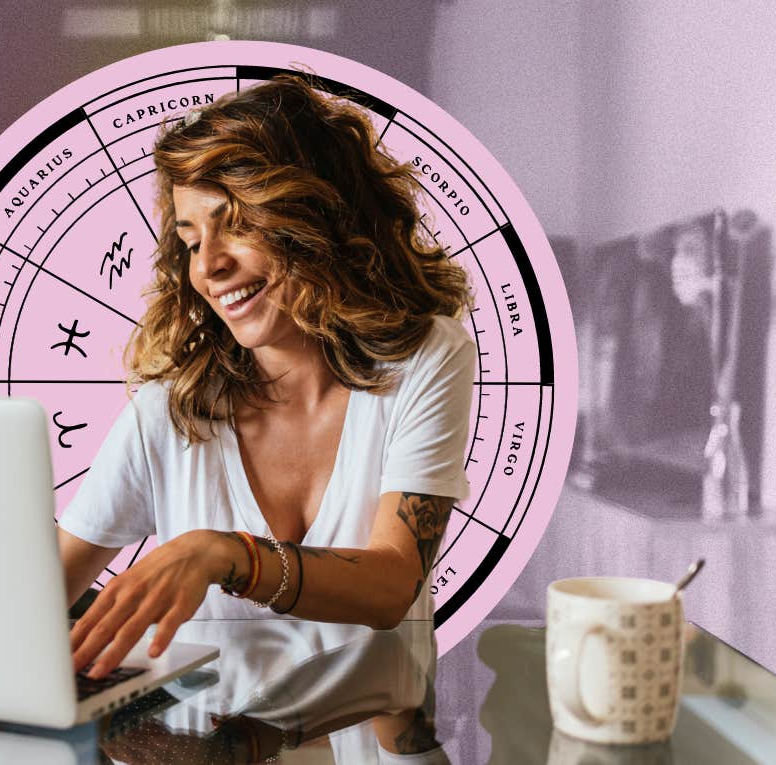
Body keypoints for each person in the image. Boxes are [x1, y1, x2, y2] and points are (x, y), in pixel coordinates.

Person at [59, 74, 476, 680]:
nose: (210, 265)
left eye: (236, 224)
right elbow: (36, 597)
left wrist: (225, 553)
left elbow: (392, 585)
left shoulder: (424, 359)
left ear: (317, 219)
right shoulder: (169, 411)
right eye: (190, 239)